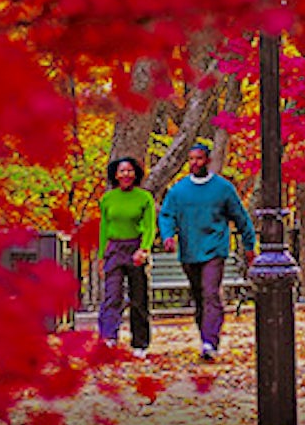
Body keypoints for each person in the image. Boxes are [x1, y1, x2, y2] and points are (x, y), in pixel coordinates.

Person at [158, 143, 255, 361]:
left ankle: (210, 342)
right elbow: (166, 215)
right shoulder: (179, 190)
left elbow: (241, 218)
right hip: (189, 250)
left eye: (199, 158)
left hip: (215, 249)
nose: (195, 163)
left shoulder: (223, 189)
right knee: (199, 297)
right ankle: (205, 337)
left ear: (208, 161)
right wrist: (167, 236)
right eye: (191, 159)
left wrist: (250, 246)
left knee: (210, 292)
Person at [97, 157, 156, 357]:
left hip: (135, 247)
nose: (126, 175)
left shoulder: (144, 197)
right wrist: (101, 256)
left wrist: (144, 249)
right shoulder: (108, 199)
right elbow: (104, 228)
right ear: (115, 174)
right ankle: (108, 338)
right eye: (122, 171)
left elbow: (149, 226)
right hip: (114, 249)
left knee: (138, 297)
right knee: (112, 295)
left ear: (136, 174)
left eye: (130, 171)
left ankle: (140, 343)